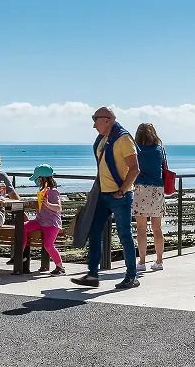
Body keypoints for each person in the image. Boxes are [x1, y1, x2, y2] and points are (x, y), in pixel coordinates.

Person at [71, 107, 141, 289]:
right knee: (94, 232)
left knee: (125, 235)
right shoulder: (102, 139)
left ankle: (131, 276)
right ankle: (92, 275)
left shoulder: (123, 139)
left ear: (107, 119)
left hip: (120, 196)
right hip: (102, 194)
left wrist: (122, 191)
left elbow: (135, 169)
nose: (94, 125)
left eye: (96, 120)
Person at [133, 123, 166, 271]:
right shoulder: (160, 148)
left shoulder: (136, 150)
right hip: (157, 189)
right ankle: (159, 261)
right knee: (157, 228)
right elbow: (163, 167)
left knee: (141, 228)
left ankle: (142, 262)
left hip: (141, 188)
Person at [24, 164, 65, 275]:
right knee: (23, 227)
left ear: (42, 178)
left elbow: (58, 207)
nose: (36, 181)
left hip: (51, 223)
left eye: (37, 179)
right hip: (39, 221)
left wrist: (48, 204)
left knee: (48, 245)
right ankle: (20, 253)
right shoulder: (42, 191)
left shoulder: (53, 191)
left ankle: (60, 267)